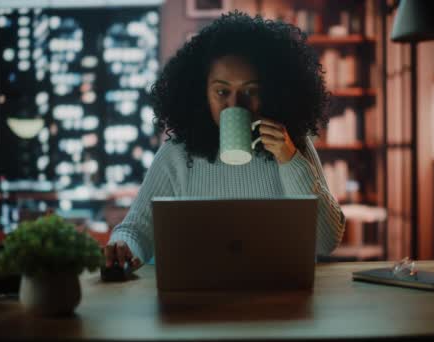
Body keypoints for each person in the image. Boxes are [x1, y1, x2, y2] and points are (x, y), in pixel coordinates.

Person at [104, 10, 346, 268]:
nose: (235, 105)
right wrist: (121, 246)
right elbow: (135, 230)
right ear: (201, 93)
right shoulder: (176, 154)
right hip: (196, 302)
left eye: (250, 91)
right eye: (222, 91)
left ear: (273, 92)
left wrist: (290, 159)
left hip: (280, 302)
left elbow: (326, 242)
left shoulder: (291, 144)